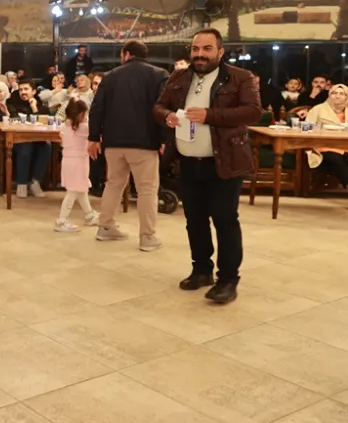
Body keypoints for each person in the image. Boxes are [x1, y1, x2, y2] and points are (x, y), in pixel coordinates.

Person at [155, 29, 261, 305]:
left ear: (220, 51)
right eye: (195, 49)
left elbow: (253, 112)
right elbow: (158, 107)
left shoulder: (241, 78)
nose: (199, 54)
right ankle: (201, 270)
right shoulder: (179, 77)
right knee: (195, 221)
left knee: (225, 221)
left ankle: (227, 280)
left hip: (224, 162)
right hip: (188, 161)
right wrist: (166, 116)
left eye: (206, 49)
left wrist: (209, 116)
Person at [87, 39, 169, 251]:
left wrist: (94, 137)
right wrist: (163, 139)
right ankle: (147, 237)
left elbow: (97, 108)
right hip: (144, 142)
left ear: (125, 54)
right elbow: (163, 109)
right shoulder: (159, 75)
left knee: (113, 184)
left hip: (113, 142)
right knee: (147, 190)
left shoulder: (110, 76)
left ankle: (105, 227)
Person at [55, 98, 99, 232]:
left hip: (68, 162)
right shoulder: (85, 128)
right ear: (81, 115)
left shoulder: (63, 127)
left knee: (81, 189)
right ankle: (61, 221)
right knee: (73, 192)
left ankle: (89, 215)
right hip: (79, 162)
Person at [7, 80, 50, 199]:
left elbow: (44, 119)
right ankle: (22, 183)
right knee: (26, 147)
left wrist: (34, 107)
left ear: (34, 91)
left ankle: (35, 182)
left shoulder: (39, 104)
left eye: (26, 89)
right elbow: (13, 118)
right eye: (20, 90)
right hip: (17, 139)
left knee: (46, 146)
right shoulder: (12, 102)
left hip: (36, 138)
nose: (23, 92)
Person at [304, 84, 348, 185]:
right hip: (322, 147)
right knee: (335, 158)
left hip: (345, 146)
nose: (337, 96)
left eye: (342, 94)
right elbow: (306, 128)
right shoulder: (317, 109)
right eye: (334, 93)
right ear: (329, 95)